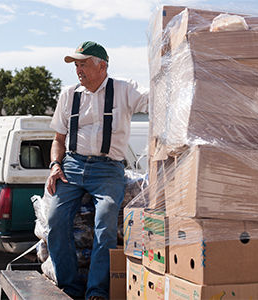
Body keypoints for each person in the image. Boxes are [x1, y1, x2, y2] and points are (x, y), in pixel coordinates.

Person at [46, 41, 148, 300]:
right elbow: (58, 138)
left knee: (105, 223)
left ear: (102, 65)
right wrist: (55, 165)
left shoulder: (124, 90)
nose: (78, 69)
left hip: (108, 169)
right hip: (71, 165)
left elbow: (156, 98)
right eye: (76, 64)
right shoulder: (68, 95)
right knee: (55, 221)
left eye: (84, 63)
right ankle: (70, 287)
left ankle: (97, 291)